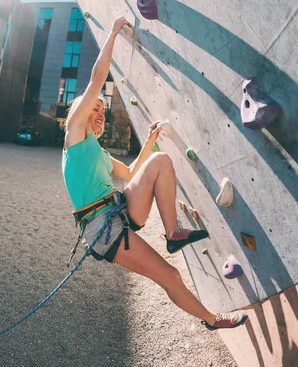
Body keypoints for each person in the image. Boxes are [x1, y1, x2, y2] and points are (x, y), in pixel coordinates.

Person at [62, 17, 248, 331]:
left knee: (159, 162)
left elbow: (133, 171)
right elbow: (97, 79)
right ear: (81, 110)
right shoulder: (74, 135)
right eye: (95, 108)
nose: (99, 114)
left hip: (119, 207)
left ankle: (173, 232)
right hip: (101, 228)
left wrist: (148, 142)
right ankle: (213, 319)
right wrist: (112, 33)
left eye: (102, 112)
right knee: (170, 276)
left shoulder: (100, 154)